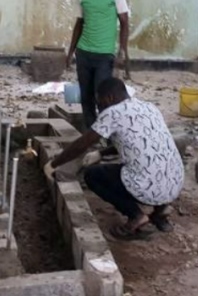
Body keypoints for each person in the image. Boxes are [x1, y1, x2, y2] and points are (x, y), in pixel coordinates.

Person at [46, 78, 184, 240]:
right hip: (175, 183)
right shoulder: (149, 107)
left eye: (99, 103)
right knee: (152, 165)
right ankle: (160, 212)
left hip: (148, 188)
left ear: (109, 98)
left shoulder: (112, 113)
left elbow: (82, 144)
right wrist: (101, 153)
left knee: (93, 175)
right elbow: (139, 143)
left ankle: (136, 216)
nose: (99, 108)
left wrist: (54, 164)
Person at [65, 0, 130, 129]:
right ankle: (90, 133)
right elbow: (79, 24)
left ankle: (106, 134)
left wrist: (122, 52)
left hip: (104, 54)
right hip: (83, 53)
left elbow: (124, 22)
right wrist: (70, 52)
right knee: (85, 97)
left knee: (103, 96)